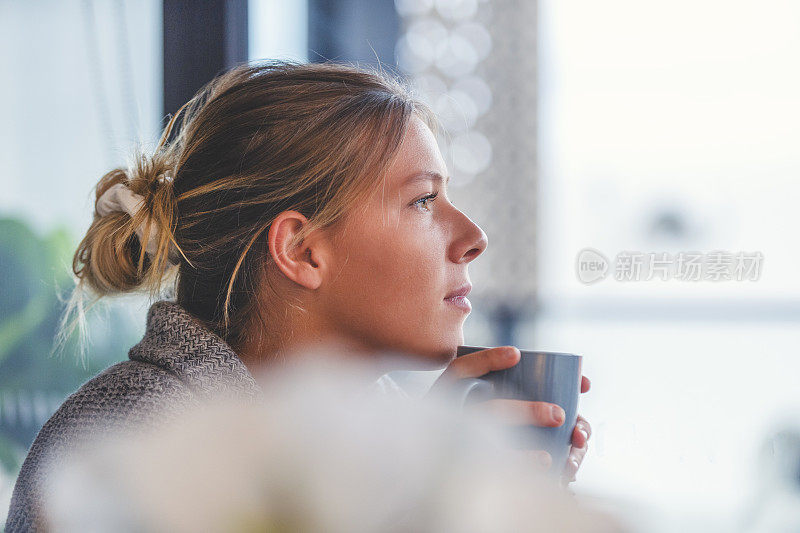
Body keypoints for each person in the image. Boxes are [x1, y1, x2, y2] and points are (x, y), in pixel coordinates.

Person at [4, 61, 591, 531]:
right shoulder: (136, 445)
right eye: (422, 201)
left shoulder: (369, 439)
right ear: (302, 250)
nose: (473, 238)